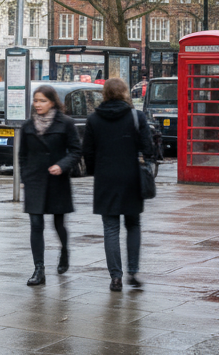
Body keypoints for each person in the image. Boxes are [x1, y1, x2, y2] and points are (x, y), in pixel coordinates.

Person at [82, 77, 156, 292]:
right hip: (132, 177)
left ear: (104, 94)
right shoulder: (136, 116)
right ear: (125, 93)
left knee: (110, 229)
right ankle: (133, 271)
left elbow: (87, 151)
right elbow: (148, 148)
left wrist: (96, 171)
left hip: (106, 178)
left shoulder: (94, 119)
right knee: (133, 225)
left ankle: (116, 277)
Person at [18, 85, 81, 286]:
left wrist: (62, 165)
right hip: (35, 181)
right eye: (35, 100)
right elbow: (22, 155)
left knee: (58, 224)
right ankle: (39, 269)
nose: (37, 104)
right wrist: (24, 177)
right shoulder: (28, 126)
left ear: (52, 102)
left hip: (57, 181)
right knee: (36, 225)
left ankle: (64, 250)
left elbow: (75, 151)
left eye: (42, 100)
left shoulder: (66, 123)